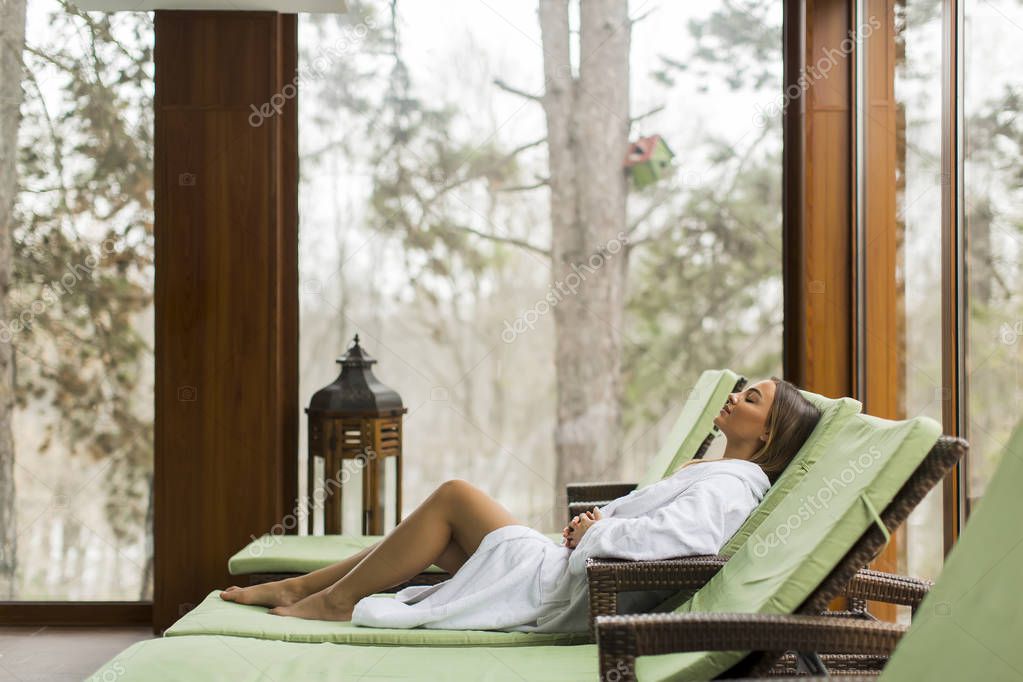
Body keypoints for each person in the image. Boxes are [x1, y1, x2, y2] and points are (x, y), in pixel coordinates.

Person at [221, 376, 821, 633]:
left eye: (751, 398)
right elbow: (648, 522)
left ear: (766, 435)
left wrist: (594, 534)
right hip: (568, 571)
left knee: (455, 497)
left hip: (573, 590)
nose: (735, 395)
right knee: (445, 527)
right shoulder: (713, 470)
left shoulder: (731, 484)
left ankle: (329, 600)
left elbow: (679, 542)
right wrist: (600, 521)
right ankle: (305, 590)